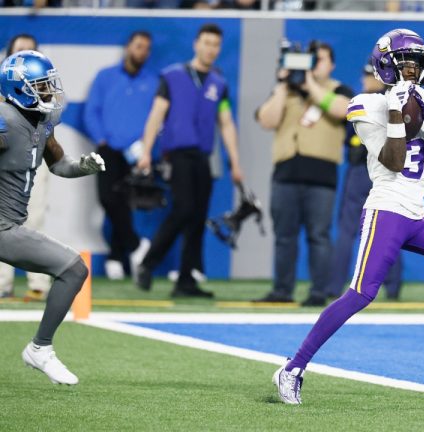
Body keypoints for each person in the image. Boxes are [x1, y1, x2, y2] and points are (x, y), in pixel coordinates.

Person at [272, 29, 424, 405]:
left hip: (417, 216)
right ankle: (292, 368)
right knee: (360, 294)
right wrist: (395, 111)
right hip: (386, 210)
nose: (411, 70)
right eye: (403, 63)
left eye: (416, 63)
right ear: (386, 66)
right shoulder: (365, 104)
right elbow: (393, 159)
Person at [0, 50, 106, 384]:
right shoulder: (5, 120)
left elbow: (58, 164)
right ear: (19, 89)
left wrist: (82, 167)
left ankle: (40, 348)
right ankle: (40, 348)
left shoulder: (41, 123)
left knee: (73, 270)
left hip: (10, 226)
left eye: (49, 85)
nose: (49, 93)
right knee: (73, 268)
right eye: (41, 87)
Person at [135, 23, 243, 298]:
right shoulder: (172, 76)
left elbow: (226, 123)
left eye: (216, 44)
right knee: (183, 209)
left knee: (197, 217)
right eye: (206, 42)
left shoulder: (219, 83)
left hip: (203, 157)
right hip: (178, 154)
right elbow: (156, 115)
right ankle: (147, 263)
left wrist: (236, 162)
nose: (211, 49)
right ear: (196, 44)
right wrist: (146, 151)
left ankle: (185, 280)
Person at [255, 40, 353, 307]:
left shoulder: (338, 89)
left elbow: (343, 110)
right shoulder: (286, 92)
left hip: (321, 177)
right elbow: (266, 120)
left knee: (318, 236)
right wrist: (281, 86)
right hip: (285, 174)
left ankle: (319, 292)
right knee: (284, 236)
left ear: (331, 65)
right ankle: (282, 290)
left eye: (319, 60)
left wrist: (310, 84)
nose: (313, 65)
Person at [84, 30, 155, 281]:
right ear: (128, 47)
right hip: (108, 149)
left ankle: (116, 256)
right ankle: (136, 246)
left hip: (137, 153)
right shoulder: (106, 77)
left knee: (125, 204)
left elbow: (157, 119)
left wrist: (147, 148)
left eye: (146, 48)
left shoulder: (152, 82)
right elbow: (91, 110)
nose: (142, 52)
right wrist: (101, 138)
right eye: (138, 46)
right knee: (108, 198)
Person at [327, 63, 402, 300]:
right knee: (388, 228)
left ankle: (335, 286)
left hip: (365, 171)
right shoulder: (394, 102)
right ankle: (392, 287)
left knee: (349, 230)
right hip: (384, 172)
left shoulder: (360, 103)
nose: (366, 81)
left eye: (369, 76)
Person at [0, 34, 54, 301]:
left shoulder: (44, 83)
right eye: (19, 50)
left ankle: (39, 283)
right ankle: (2, 284)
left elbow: (52, 115)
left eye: (30, 51)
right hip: (4, 158)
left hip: (33, 154)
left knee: (36, 215)